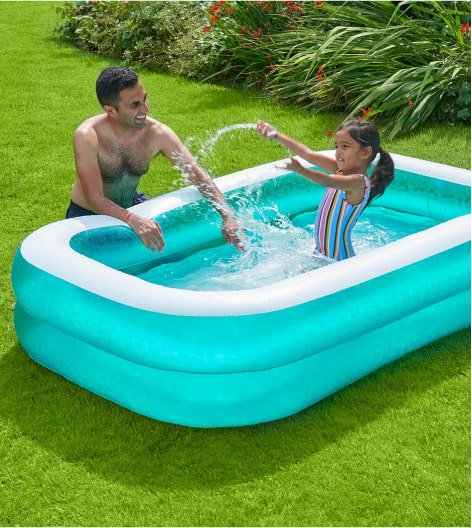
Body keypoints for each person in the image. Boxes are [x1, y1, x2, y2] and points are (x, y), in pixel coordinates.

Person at [67, 67, 244, 252]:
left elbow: (196, 174)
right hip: (88, 214)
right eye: (135, 105)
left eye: (144, 98)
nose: (145, 108)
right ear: (110, 110)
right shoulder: (88, 136)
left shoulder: (156, 133)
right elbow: (94, 197)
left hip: (132, 204)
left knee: (175, 252)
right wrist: (131, 219)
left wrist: (227, 216)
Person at [256, 119, 394, 260]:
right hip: (320, 254)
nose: (338, 152)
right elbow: (309, 155)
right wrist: (276, 135)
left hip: (339, 260)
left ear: (365, 153)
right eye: (336, 146)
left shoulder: (359, 183)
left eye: (345, 146)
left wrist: (301, 170)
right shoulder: (340, 170)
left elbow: (327, 180)